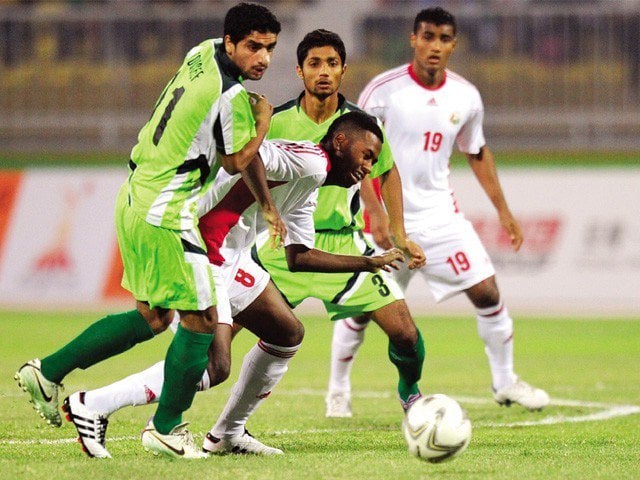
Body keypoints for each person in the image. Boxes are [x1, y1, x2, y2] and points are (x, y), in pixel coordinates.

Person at [15, 2, 287, 459]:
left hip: (136, 193)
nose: (261, 58)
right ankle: (167, 428)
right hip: (167, 209)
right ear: (230, 44)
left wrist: (266, 203)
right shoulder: (233, 96)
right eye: (253, 48)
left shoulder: (200, 53)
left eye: (270, 49)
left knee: (154, 316)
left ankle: (49, 372)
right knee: (201, 319)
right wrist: (263, 122)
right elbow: (237, 161)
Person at [62, 111, 405, 459]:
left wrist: (368, 262)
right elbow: (249, 155)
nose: (369, 167)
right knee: (215, 364)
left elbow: (297, 258)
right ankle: (94, 405)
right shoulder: (310, 162)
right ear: (341, 142)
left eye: (375, 161)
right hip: (206, 248)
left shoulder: (311, 184)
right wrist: (269, 208)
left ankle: (227, 433)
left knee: (285, 332)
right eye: (367, 156)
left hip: (234, 254)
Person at [330, 6, 550, 413]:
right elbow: (356, 153)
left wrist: (502, 210)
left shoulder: (465, 96)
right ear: (413, 39)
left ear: (453, 44)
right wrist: (374, 210)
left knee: (487, 292)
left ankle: (505, 383)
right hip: (386, 219)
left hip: (440, 218)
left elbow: (477, 151)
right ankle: (338, 388)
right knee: (363, 309)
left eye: (443, 38)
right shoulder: (383, 90)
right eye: (427, 36)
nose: (434, 46)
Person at [244, 29, 425, 426]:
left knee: (406, 334)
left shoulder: (360, 124)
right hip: (282, 247)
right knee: (218, 339)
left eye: (331, 64)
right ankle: (192, 415)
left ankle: (410, 392)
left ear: (343, 70)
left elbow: (388, 170)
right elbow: (247, 166)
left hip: (343, 243)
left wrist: (399, 230)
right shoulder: (276, 122)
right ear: (299, 71)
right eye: (314, 64)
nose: (323, 71)